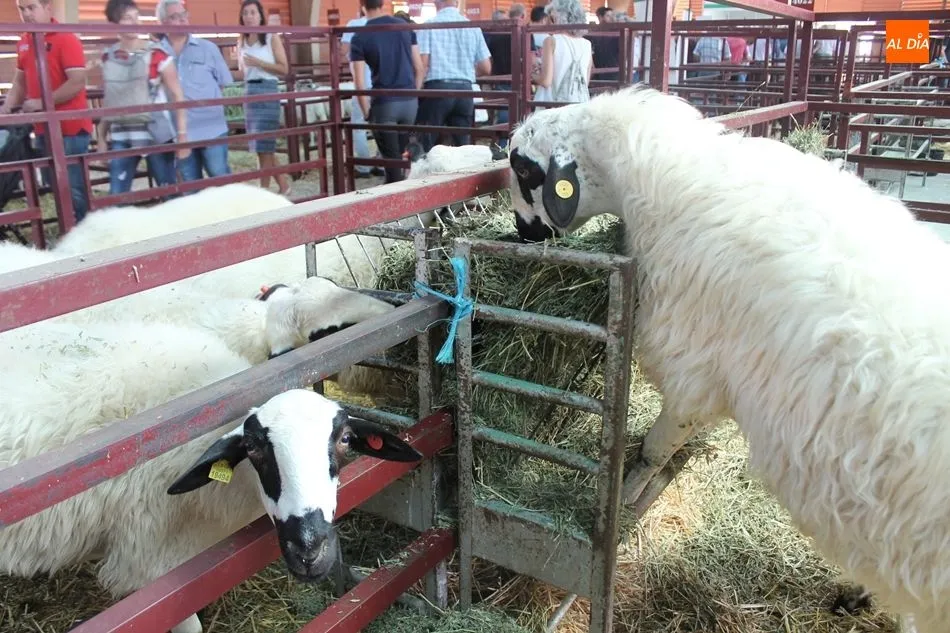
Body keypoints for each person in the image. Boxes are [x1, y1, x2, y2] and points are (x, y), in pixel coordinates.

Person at [1, 0, 92, 223]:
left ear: (47, 7)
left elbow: (77, 81)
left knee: (73, 186)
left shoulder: (65, 38)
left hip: (70, 128)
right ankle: (68, 229)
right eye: (22, 9)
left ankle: (84, 231)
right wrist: (6, 108)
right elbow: (20, 82)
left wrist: (42, 102)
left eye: (32, 7)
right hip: (43, 127)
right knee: (54, 184)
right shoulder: (25, 41)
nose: (26, 14)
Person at [97, 0, 189, 196]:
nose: (134, 23)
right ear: (114, 24)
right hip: (123, 134)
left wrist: (182, 135)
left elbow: (177, 95)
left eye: (136, 17)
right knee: (117, 195)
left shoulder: (157, 54)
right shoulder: (108, 56)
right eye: (127, 18)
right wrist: (102, 137)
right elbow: (110, 99)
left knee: (169, 192)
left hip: (156, 134)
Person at [156, 0, 234, 183]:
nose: (182, 20)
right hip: (178, 133)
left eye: (184, 15)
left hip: (212, 128)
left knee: (220, 177)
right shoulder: (156, 53)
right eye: (175, 17)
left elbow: (223, 84)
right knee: (190, 184)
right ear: (163, 23)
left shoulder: (208, 48)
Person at [349, 0, 423, 183]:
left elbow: (359, 83)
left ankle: (398, 197)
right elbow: (419, 68)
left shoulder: (360, 36)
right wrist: (414, 95)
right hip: (409, 103)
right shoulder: (404, 27)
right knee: (403, 158)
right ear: (382, 4)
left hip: (384, 104)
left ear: (362, 6)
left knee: (391, 163)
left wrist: (367, 113)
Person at [415, 0, 491, 150]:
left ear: (436, 2)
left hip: (437, 89)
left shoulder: (428, 25)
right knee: (463, 145)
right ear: (456, 3)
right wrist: (467, 72)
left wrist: (415, 92)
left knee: (425, 142)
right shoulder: (472, 27)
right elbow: (486, 67)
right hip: (465, 90)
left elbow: (423, 64)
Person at [237, 0, 291, 195]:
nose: (249, 17)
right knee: (260, 145)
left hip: (267, 89)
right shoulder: (241, 40)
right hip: (250, 91)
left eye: (253, 12)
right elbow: (242, 69)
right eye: (245, 13)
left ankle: (264, 191)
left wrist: (259, 63)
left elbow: (284, 68)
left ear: (260, 16)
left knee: (265, 143)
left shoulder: (270, 37)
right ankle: (283, 186)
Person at [533, 0, 592, 107]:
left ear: (557, 18)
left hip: (552, 105)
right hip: (579, 104)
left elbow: (546, 81)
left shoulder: (551, 41)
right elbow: (585, 81)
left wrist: (531, 75)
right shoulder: (587, 44)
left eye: (551, 18)